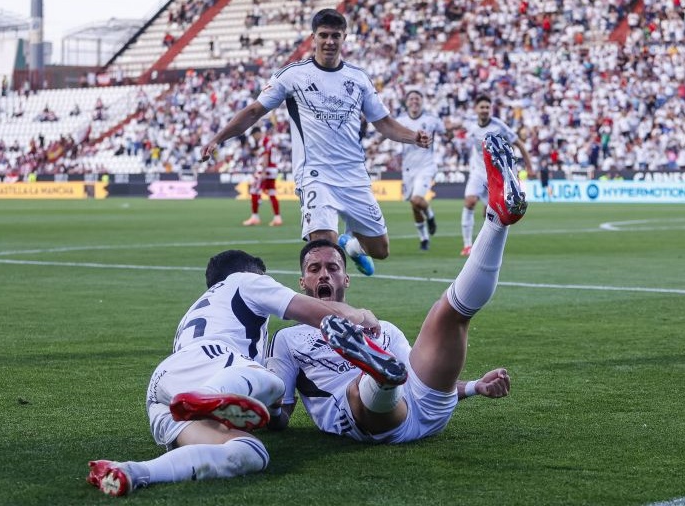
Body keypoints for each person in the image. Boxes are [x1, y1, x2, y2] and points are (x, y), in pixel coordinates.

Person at [267, 133, 527, 443]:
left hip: (427, 410)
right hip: (372, 418)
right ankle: (379, 378)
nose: (324, 275)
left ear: (346, 280)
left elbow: (417, 376)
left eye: (333, 268)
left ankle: (497, 219)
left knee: (451, 313)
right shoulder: (287, 339)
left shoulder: (384, 329)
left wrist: (473, 387)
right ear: (302, 282)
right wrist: (261, 410)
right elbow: (281, 412)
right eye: (314, 269)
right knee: (359, 386)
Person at [86, 250, 382, 497]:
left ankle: (131, 472)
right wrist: (359, 315)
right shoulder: (245, 281)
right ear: (253, 273)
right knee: (272, 382)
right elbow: (314, 311)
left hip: (165, 391)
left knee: (250, 454)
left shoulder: (208, 309)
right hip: (209, 362)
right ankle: (209, 397)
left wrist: (275, 414)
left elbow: (275, 420)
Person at [200, 9, 432, 277]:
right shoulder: (292, 76)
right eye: (324, 35)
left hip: (354, 176)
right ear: (313, 37)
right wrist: (218, 138)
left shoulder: (358, 79)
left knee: (380, 250)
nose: (330, 41)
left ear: (345, 37)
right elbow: (254, 111)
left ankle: (353, 247)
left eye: (336, 35)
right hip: (315, 176)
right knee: (324, 250)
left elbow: (384, 123)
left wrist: (413, 136)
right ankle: (326, 315)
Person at [460, 96, 531, 256]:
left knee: (490, 213)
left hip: (495, 174)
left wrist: (529, 166)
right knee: (470, 201)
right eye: (482, 107)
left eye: (487, 107)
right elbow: (457, 125)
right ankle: (467, 245)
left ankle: (484, 246)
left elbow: (519, 144)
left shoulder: (499, 126)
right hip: (477, 172)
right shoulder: (470, 123)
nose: (484, 110)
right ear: (476, 109)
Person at [395, 90, 446, 251]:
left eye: (417, 98)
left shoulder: (431, 119)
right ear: (407, 102)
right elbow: (389, 133)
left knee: (417, 200)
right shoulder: (401, 120)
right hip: (408, 168)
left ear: (422, 101)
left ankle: (430, 216)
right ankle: (424, 238)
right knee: (413, 205)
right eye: (411, 98)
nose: (414, 101)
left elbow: (445, 132)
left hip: (426, 166)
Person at [242, 126, 283, 227]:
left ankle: (254, 217)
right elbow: (264, 153)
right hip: (273, 169)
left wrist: (263, 171)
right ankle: (277, 218)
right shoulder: (268, 141)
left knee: (254, 191)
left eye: (254, 136)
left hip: (265, 170)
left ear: (257, 133)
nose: (255, 138)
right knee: (272, 193)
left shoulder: (264, 141)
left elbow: (265, 156)